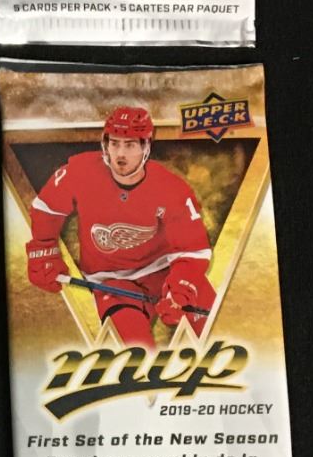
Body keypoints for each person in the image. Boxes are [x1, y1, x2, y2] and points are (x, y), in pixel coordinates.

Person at [25, 104, 213, 344]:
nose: (120, 154)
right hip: (109, 281)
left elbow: (192, 249)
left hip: (163, 271)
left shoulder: (171, 188)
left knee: (215, 324)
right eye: (114, 144)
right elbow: (46, 207)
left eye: (130, 145)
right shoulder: (79, 172)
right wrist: (43, 249)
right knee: (134, 348)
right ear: (105, 145)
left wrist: (181, 290)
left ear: (146, 147)